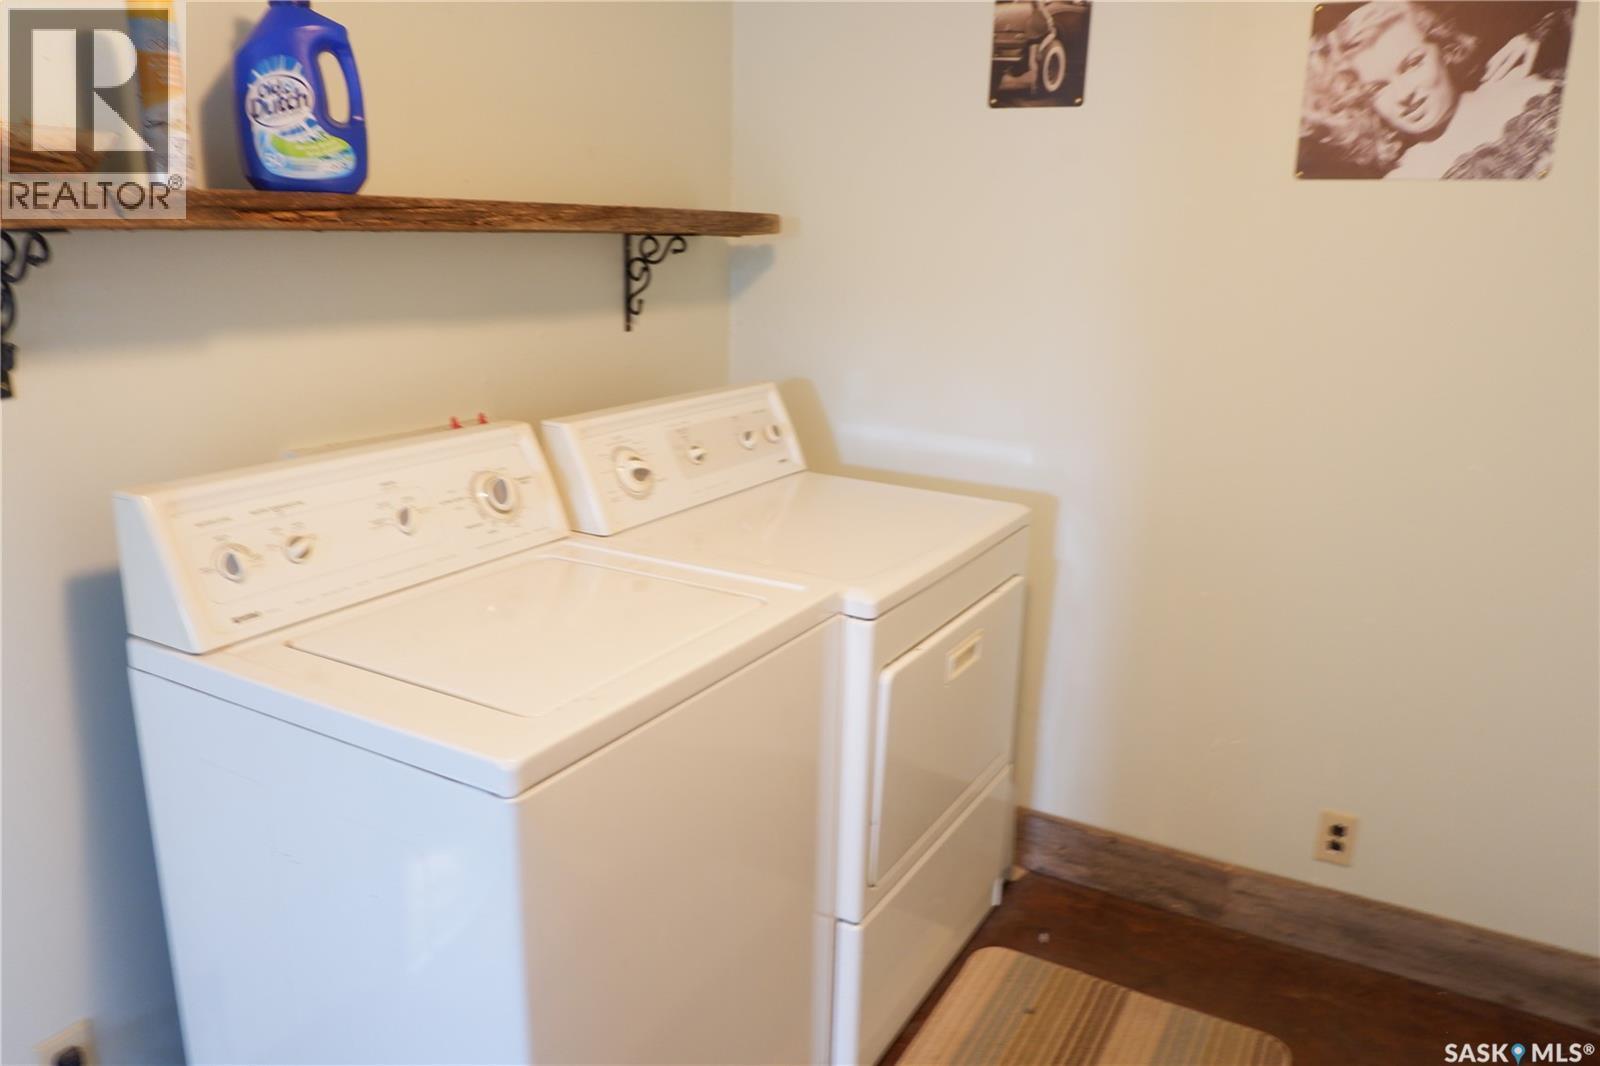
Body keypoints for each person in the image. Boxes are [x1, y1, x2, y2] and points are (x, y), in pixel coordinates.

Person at [1297, 1, 1573, 179]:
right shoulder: (1403, 182)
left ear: (1443, 47)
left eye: (1412, 64)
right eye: (1379, 88)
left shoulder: (1533, 87)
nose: (1404, 94)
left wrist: (1547, 31)